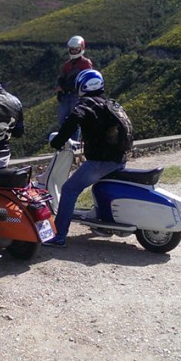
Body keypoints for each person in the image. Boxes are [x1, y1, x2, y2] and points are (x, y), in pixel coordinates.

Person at [43, 69, 131, 248]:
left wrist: (58, 141)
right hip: (119, 159)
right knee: (100, 187)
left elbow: (73, 119)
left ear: (82, 86)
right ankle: (104, 225)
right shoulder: (109, 104)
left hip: (101, 161)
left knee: (69, 189)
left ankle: (59, 236)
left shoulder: (87, 104)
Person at [55, 35, 93, 140]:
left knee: (75, 120)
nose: (74, 51)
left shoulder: (86, 63)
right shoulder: (67, 64)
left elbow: (85, 80)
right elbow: (61, 78)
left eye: (76, 49)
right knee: (62, 121)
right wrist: (60, 89)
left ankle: (74, 144)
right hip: (66, 96)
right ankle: (64, 142)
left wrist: (64, 87)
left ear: (81, 48)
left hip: (77, 95)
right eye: (72, 49)